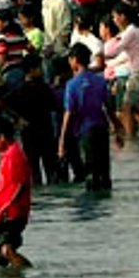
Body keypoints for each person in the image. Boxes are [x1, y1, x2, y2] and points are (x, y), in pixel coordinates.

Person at [59, 44, 112, 191]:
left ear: (74, 60)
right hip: (102, 129)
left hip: (85, 132)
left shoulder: (72, 85)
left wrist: (62, 141)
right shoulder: (100, 81)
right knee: (104, 172)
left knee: (90, 173)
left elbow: (68, 113)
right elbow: (108, 106)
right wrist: (117, 127)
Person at [0, 115, 32, 267]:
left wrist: (5, 208)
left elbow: (21, 185)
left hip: (14, 213)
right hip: (7, 213)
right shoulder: (8, 154)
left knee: (6, 251)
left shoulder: (14, 156)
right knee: (0, 258)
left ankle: (30, 274)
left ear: (1, 137)